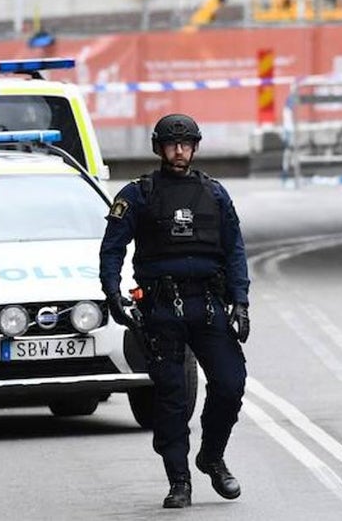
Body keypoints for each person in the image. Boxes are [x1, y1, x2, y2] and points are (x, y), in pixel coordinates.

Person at [99, 113, 250, 509]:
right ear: (159, 148)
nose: (179, 151)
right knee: (171, 397)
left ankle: (211, 456)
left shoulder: (214, 194)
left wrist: (241, 302)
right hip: (162, 308)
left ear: (195, 148)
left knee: (230, 384)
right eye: (171, 144)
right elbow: (112, 248)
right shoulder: (139, 194)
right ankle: (179, 480)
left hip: (208, 305)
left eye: (185, 144)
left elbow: (235, 250)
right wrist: (113, 293)